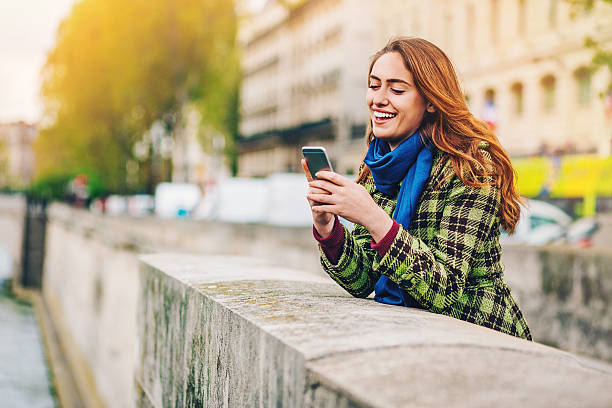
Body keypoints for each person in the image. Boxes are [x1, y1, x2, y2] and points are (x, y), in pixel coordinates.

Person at [301, 37, 532, 340]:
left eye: (397, 89)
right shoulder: (378, 164)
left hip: (481, 337)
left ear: (432, 100)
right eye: (374, 85)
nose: (379, 99)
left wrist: (373, 218)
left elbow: (445, 290)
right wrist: (327, 225)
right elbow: (362, 280)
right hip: (411, 336)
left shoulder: (472, 166)